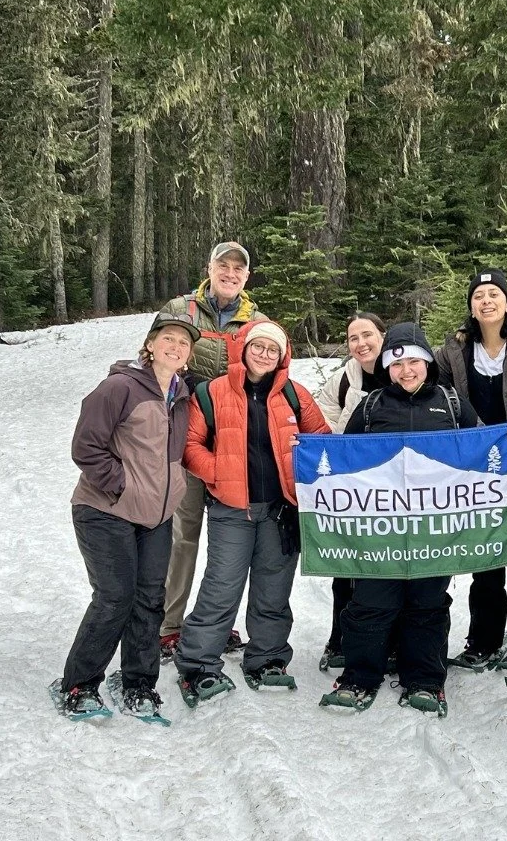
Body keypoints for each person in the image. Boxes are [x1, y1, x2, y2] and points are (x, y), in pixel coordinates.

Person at [325, 322, 507, 716]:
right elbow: (344, 456)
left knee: (427, 604)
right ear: (386, 368)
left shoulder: (450, 403)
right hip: (382, 530)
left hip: (433, 532)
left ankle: (426, 678)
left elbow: (480, 443)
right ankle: (360, 676)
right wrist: (308, 452)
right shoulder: (372, 405)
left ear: (428, 363)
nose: (406, 371)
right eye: (397, 364)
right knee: (370, 602)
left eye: (414, 361)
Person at [174, 320, 330, 705]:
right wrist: (218, 474)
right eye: (258, 346)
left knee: (274, 589)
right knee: (221, 587)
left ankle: (267, 659)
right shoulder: (211, 393)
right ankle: (198, 665)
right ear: (243, 348)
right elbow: (190, 443)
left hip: (281, 511)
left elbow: (323, 442)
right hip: (231, 511)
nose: (264, 354)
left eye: (272, 350)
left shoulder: (295, 395)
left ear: (283, 356)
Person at [52, 313, 199, 721]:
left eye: (184, 343)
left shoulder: (183, 395)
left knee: (150, 600)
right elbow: (86, 447)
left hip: (156, 516)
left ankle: (138, 683)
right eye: (167, 339)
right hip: (105, 510)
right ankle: (79, 684)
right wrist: (123, 486)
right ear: (150, 345)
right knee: (115, 596)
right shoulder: (119, 387)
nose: (175, 347)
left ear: (189, 356)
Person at [158, 241, 266, 660]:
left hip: (235, 446)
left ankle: (216, 624)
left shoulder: (256, 321)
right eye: (224, 265)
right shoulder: (180, 309)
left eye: (239, 268)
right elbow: (154, 360)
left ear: (246, 276)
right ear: (210, 267)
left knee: (229, 539)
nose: (230, 273)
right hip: (185, 437)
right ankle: (169, 624)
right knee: (184, 534)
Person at [436, 268, 507, 673]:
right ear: (471, 304)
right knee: (485, 559)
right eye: (478, 295)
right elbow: (440, 398)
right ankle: (483, 639)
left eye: (493, 294)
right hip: (478, 471)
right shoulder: (455, 349)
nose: (486, 301)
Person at [313, 311, 388, 670]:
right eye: (353, 338)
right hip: (353, 484)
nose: (361, 343)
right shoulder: (344, 379)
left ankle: (389, 637)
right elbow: (320, 420)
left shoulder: (404, 369)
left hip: (397, 488)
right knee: (347, 566)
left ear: (383, 336)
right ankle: (339, 637)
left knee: (390, 565)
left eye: (367, 335)